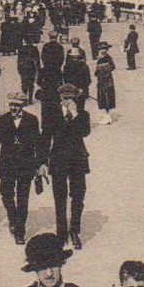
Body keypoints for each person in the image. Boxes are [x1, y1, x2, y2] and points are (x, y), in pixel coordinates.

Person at [0, 92, 44, 245]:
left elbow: (38, 143)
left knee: (23, 198)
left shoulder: (32, 120)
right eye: (11, 105)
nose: (13, 108)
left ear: (22, 106)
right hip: (7, 165)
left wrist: (39, 164)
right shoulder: (3, 120)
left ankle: (20, 231)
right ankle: (13, 218)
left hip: (26, 166)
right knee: (6, 194)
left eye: (16, 105)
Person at [43, 86, 92, 250]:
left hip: (78, 160)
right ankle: (61, 233)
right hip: (58, 161)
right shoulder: (52, 114)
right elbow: (46, 138)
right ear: (60, 99)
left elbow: (85, 132)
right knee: (60, 198)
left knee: (78, 196)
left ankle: (75, 231)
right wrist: (42, 162)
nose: (67, 102)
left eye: (70, 99)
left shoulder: (83, 115)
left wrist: (76, 114)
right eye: (64, 99)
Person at [93, 45, 117, 125]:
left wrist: (101, 70)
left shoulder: (103, 59)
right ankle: (106, 115)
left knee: (105, 98)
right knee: (106, 97)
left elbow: (97, 71)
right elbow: (113, 67)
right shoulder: (107, 57)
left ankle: (107, 117)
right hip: (108, 80)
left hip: (104, 81)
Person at [16, 37, 40, 101]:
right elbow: (37, 60)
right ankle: (30, 99)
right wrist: (39, 69)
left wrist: (19, 68)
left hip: (23, 68)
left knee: (24, 83)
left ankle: (25, 97)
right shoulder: (34, 49)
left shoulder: (21, 49)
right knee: (31, 83)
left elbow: (19, 60)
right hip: (32, 67)